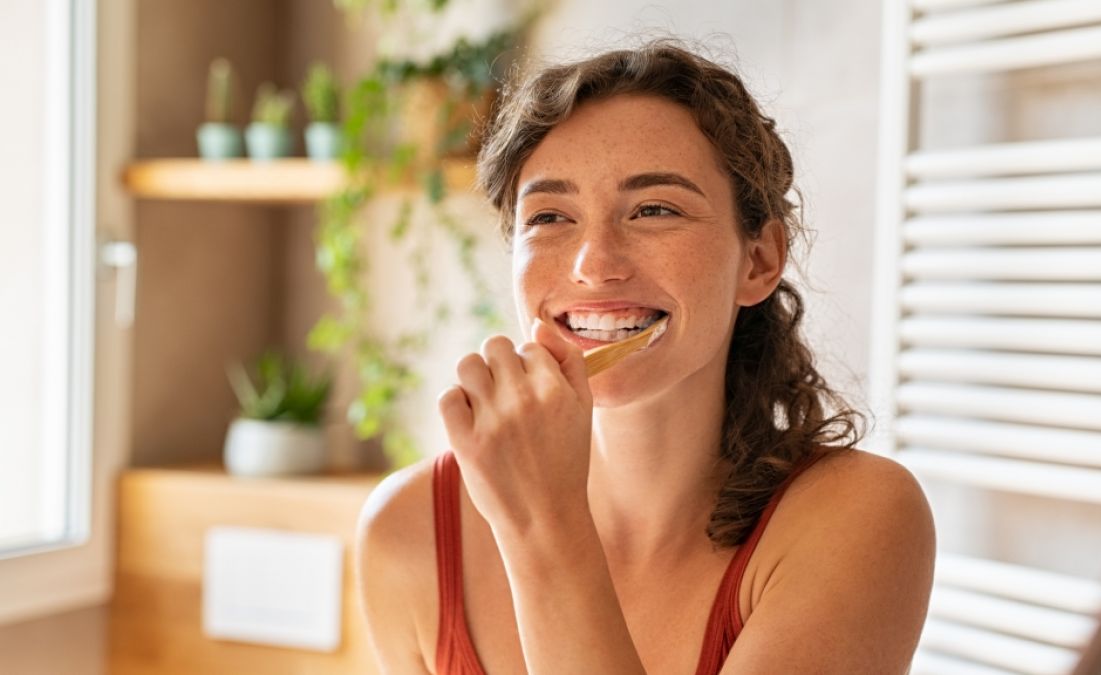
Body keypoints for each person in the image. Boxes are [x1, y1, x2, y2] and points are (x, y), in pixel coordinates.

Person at [357, 40, 936, 675]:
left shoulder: (857, 521)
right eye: (550, 216)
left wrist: (543, 526)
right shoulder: (409, 532)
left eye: (654, 209)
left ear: (760, 260)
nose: (594, 264)